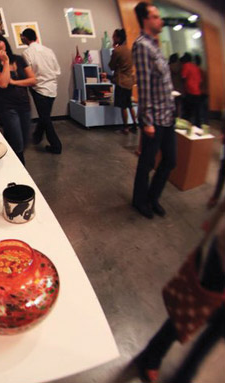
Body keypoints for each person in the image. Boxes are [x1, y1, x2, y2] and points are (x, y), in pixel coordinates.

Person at [136, 201, 225, 383]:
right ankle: (151, 357)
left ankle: (184, 374)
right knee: (188, 309)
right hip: (221, 265)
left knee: (215, 332)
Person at [131, 2, 176, 219]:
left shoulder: (155, 45)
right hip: (154, 118)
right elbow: (145, 85)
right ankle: (140, 201)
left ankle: (152, 198)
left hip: (168, 115)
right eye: (156, 16)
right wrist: (147, 120)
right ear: (146, 20)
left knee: (170, 160)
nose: (161, 20)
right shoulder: (142, 46)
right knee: (147, 162)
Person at [0, 33, 36, 164]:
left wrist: (15, 82)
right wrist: (6, 62)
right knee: (17, 143)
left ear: (4, 42)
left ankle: (12, 160)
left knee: (24, 140)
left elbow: (33, 80)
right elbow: (3, 83)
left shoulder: (19, 59)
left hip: (24, 105)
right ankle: (20, 169)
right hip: (8, 108)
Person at [20, 28, 62, 154]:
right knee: (45, 115)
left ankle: (56, 146)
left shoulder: (27, 53)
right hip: (52, 88)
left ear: (25, 38)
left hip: (39, 89)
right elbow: (57, 70)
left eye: (22, 37)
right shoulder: (48, 50)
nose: (22, 39)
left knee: (45, 118)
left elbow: (29, 73)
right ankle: (37, 136)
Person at [109, 28, 137, 134]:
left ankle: (125, 127)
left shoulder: (117, 51)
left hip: (121, 81)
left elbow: (111, 65)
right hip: (129, 81)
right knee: (129, 105)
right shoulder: (129, 50)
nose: (113, 38)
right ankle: (134, 125)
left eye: (114, 36)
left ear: (118, 38)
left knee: (123, 106)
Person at [181, 52, 203, 127]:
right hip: (197, 92)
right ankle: (198, 127)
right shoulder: (196, 67)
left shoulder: (186, 65)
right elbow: (200, 80)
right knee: (197, 113)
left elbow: (183, 77)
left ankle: (185, 128)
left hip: (189, 92)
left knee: (187, 112)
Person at [195, 54, 209, 125]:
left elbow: (199, 81)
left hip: (200, 91)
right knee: (203, 109)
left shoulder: (198, 70)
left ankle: (200, 124)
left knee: (199, 109)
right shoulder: (203, 70)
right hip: (205, 92)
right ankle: (205, 124)